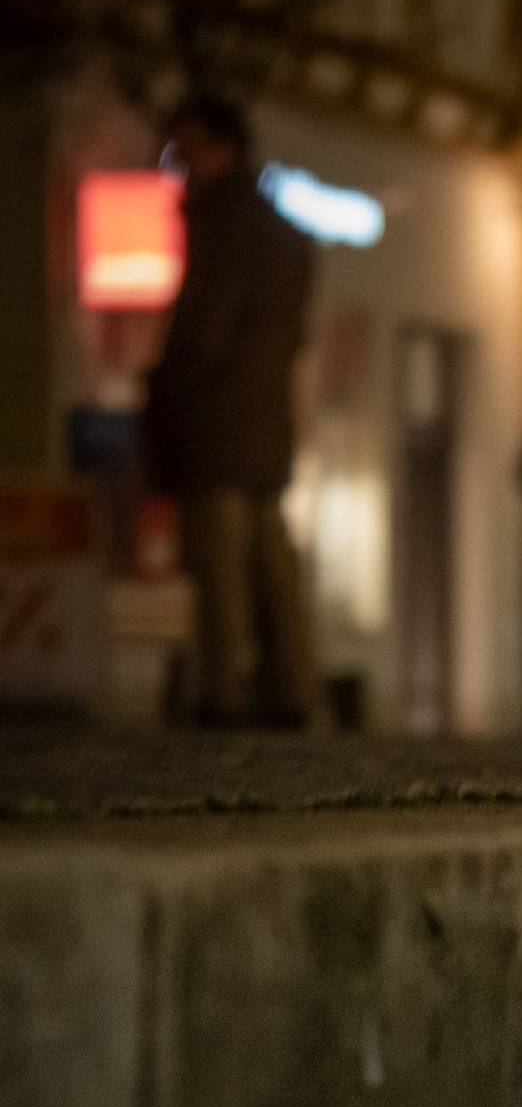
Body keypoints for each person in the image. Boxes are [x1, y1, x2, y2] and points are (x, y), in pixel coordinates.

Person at [141, 95, 318, 728]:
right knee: (271, 562)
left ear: (220, 147)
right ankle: (294, 689)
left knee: (218, 564)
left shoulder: (221, 221)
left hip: (216, 420)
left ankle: (225, 690)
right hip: (265, 420)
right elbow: (294, 333)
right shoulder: (281, 229)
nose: (180, 167)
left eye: (185, 153)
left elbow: (204, 326)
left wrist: (166, 386)